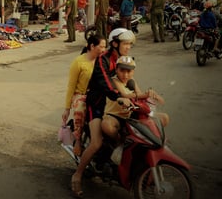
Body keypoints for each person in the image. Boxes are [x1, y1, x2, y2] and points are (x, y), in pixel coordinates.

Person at [70, 28, 135, 198]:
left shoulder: (120, 60)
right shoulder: (103, 60)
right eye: (125, 43)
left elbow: (128, 78)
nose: (128, 47)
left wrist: (138, 95)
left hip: (112, 105)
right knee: (97, 142)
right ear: (115, 44)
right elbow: (106, 83)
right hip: (97, 104)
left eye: (130, 44)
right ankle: (77, 175)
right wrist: (119, 97)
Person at [103, 55, 169, 144]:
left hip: (131, 114)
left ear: (133, 72)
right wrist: (147, 94)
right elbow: (125, 95)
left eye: (129, 71)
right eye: (122, 70)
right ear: (116, 70)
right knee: (107, 125)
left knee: (164, 118)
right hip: (116, 115)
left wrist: (151, 95)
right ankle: (119, 143)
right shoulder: (114, 80)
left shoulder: (131, 80)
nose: (125, 75)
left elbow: (139, 94)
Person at [61, 34, 107, 157]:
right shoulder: (79, 62)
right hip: (81, 95)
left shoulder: (103, 60)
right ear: (92, 46)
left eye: (105, 47)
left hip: (97, 94)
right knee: (80, 109)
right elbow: (71, 86)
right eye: (101, 47)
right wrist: (67, 108)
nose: (104, 50)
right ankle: (78, 139)